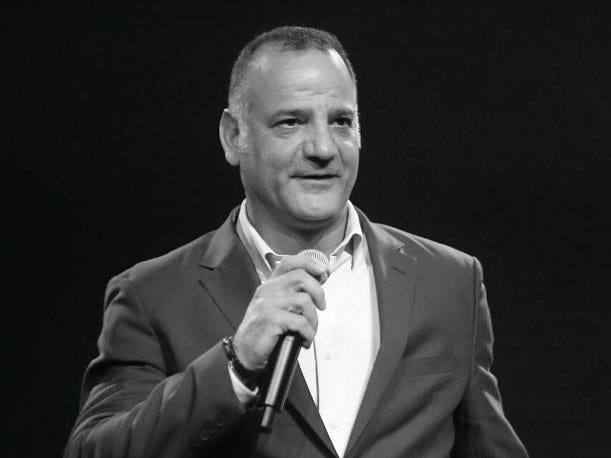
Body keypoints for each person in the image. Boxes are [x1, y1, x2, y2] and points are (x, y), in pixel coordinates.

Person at [64, 26, 528, 457]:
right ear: (233, 136)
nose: (323, 148)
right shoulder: (151, 296)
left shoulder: (450, 281)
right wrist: (236, 364)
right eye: (291, 122)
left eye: (341, 121)